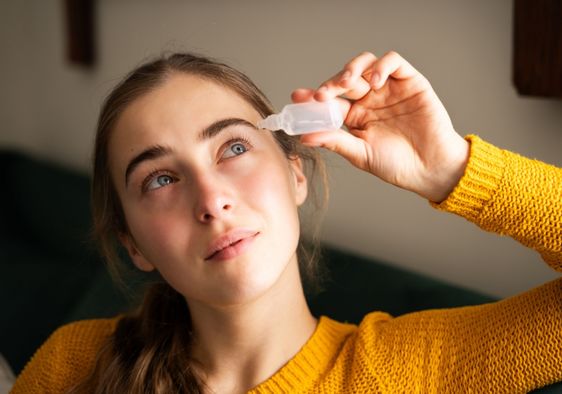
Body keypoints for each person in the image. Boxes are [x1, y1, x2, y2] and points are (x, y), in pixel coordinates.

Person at [11, 51, 561, 393]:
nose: (211, 200)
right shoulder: (73, 366)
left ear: (295, 174)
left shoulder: (411, 371)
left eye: (232, 147)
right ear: (134, 244)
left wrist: (453, 170)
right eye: (160, 179)